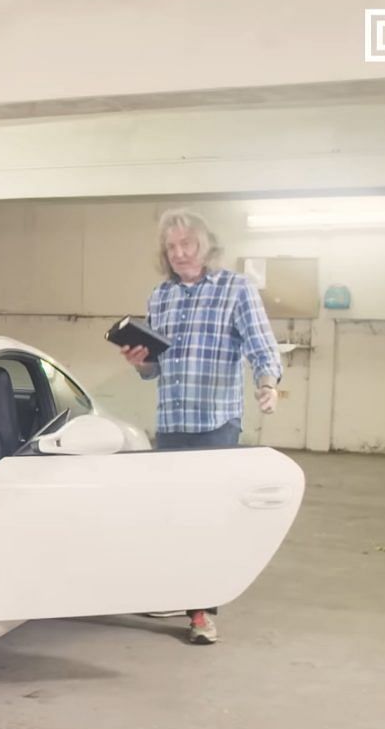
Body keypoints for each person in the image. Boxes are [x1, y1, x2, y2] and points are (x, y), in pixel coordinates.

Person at [121, 208, 283, 645]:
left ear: (207, 244)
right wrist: (141, 362)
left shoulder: (236, 289)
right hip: (172, 422)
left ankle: (202, 615)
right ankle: (184, 596)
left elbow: (262, 346)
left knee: (208, 516)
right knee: (174, 515)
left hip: (215, 422)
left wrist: (267, 384)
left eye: (187, 244)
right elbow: (154, 369)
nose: (179, 253)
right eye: (171, 248)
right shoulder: (161, 297)